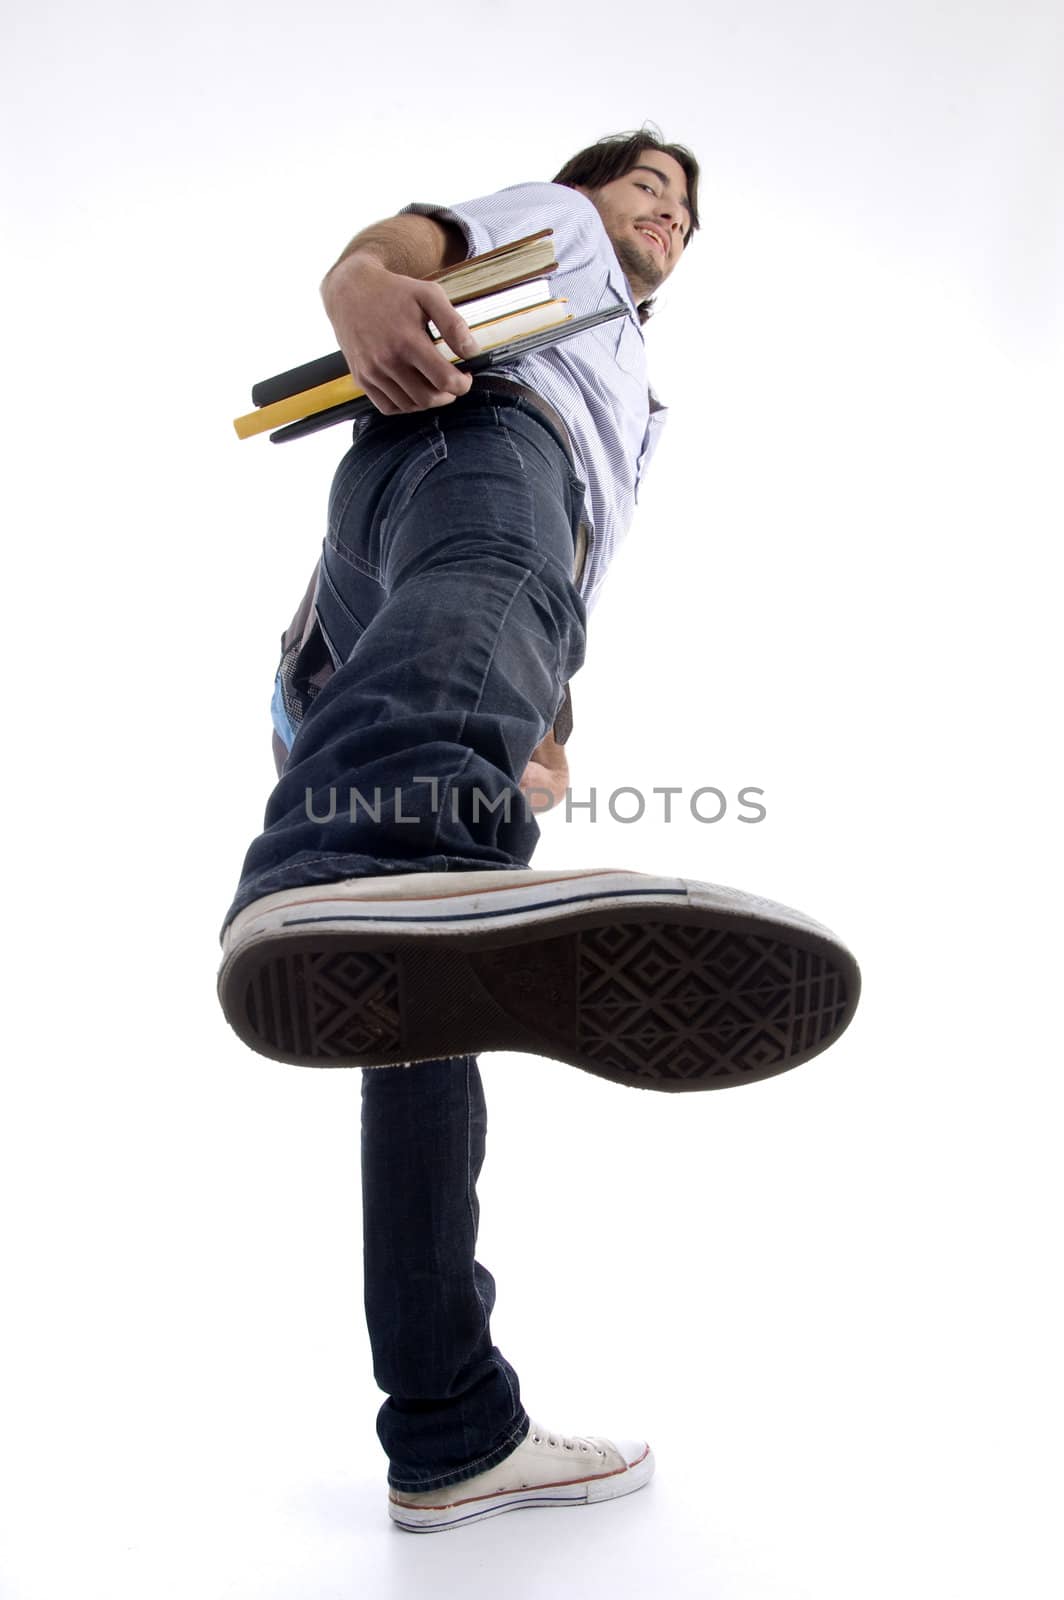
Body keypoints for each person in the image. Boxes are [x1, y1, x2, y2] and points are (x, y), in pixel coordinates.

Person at [216, 125, 860, 1531]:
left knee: (419, 1021)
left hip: (386, 630)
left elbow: (528, 573)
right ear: (595, 187)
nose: (665, 218)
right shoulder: (561, 238)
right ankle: (331, 865)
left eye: (684, 215)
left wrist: (541, 706)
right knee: (411, 830)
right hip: (470, 465)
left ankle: (450, 1429)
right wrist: (363, 284)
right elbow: (405, 253)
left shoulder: (637, 382)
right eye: (652, 188)